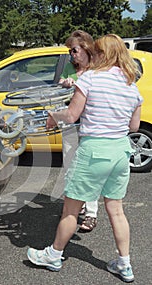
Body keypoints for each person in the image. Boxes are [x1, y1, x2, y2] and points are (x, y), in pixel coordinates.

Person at [27, 34, 142, 283]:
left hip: (94, 152)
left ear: (104, 54)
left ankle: (53, 255)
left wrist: (52, 116)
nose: (94, 55)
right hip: (121, 152)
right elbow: (134, 127)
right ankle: (125, 264)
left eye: (97, 51)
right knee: (117, 210)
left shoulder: (90, 78)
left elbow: (71, 115)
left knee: (71, 209)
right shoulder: (131, 86)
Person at [59, 30, 98, 232]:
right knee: (70, 166)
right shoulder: (69, 67)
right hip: (70, 124)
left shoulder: (97, 69)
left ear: (86, 48)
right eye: (70, 51)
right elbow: (59, 86)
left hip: (90, 125)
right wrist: (66, 84)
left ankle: (91, 212)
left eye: (74, 50)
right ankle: (76, 207)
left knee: (89, 169)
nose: (71, 55)